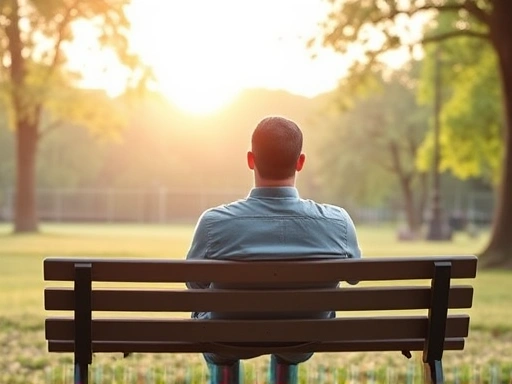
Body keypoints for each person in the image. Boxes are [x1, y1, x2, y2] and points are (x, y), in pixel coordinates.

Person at [185, 116, 361, 384]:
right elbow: (354, 276)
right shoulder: (338, 222)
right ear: (300, 162)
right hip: (301, 338)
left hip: (227, 337)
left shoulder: (213, 222)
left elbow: (195, 284)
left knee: (212, 322)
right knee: (293, 330)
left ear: (250, 160)